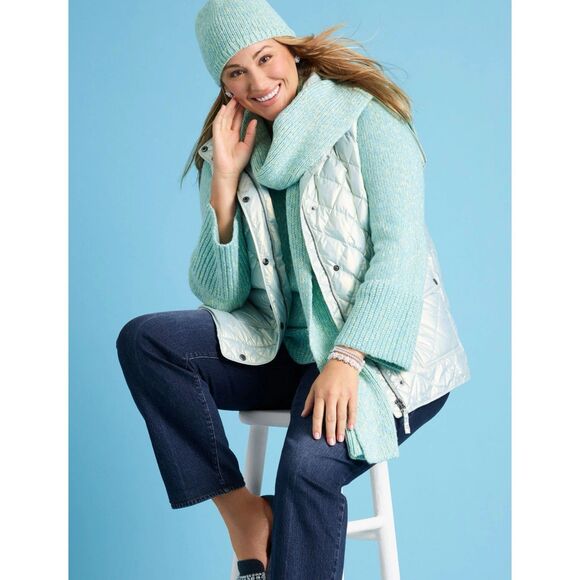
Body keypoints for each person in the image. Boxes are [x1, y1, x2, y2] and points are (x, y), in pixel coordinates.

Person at [116, 1, 470, 578]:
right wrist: (223, 184)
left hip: (381, 357)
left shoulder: (369, 119)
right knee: (147, 342)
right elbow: (222, 295)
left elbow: (401, 257)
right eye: (236, 72)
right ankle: (243, 515)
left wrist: (347, 359)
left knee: (307, 467)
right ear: (224, 85)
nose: (257, 82)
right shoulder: (233, 147)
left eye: (265, 58)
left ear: (291, 50)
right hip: (282, 351)